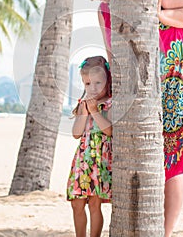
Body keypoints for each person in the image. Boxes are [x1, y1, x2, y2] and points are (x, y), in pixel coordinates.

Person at [71, 0, 183, 237]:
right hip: (138, 89)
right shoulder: (103, 10)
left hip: (177, 78)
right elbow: (111, 55)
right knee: (143, 156)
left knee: (172, 161)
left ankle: (164, 233)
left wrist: (158, 14)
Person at [67, 55, 112, 237]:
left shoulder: (110, 103)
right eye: (87, 84)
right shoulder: (83, 105)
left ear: (108, 81)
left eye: (97, 83)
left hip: (99, 161)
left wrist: (95, 111)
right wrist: (85, 112)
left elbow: (109, 131)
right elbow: (76, 133)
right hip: (83, 160)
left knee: (94, 203)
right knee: (77, 203)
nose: (92, 88)